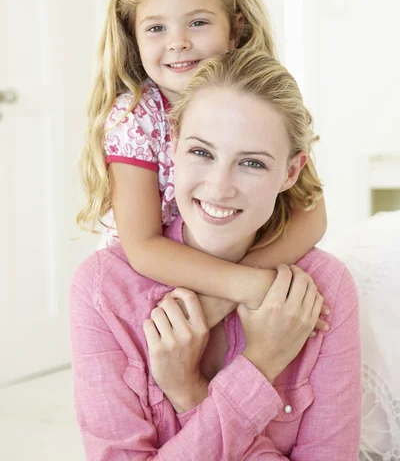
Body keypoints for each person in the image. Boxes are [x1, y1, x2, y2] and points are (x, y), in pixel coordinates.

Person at [70, 49, 361, 459]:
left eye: (252, 163)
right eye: (202, 153)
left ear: (291, 172)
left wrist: (191, 393)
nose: (220, 187)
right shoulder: (104, 290)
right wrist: (257, 369)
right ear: (172, 145)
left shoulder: (324, 287)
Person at [76, 0, 328, 315]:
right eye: (157, 28)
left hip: (236, 267)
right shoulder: (134, 118)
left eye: (197, 22)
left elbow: (312, 215)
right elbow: (144, 247)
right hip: (149, 285)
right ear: (134, 38)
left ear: (235, 30)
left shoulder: (261, 104)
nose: (178, 42)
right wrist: (245, 286)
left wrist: (236, 288)